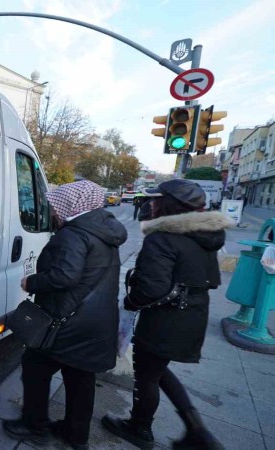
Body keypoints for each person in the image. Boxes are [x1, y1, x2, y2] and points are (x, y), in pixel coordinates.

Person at [102, 179, 232, 450]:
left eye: (157, 199)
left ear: (170, 204)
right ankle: (196, 429)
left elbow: (152, 288)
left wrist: (131, 301)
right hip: (194, 313)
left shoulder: (162, 237)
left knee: (147, 373)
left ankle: (140, 428)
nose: (151, 204)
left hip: (166, 317)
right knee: (157, 369)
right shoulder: (206, 234)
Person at [3, 180, 127, 449]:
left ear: (71, 205)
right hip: (97, 321)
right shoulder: (104, 230)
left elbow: (64, 275)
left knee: (35, 367)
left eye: (56, 205)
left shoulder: (73, 234)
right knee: (80, 377)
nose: (53, 210)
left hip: (69, 321)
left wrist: (32, 282)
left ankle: (34, 426)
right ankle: (76, 435)